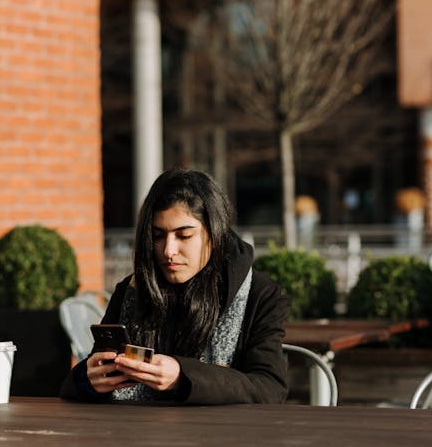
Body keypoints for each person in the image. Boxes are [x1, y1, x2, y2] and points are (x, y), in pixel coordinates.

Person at [60, 167, 291, 404]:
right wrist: (88, 380)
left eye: (184, 236)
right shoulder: (133, 288)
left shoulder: (260, 294)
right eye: (158, 235)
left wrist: (183, 376)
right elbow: (79, 382)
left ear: (214, 233)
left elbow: (270, 388)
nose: (168, 251)